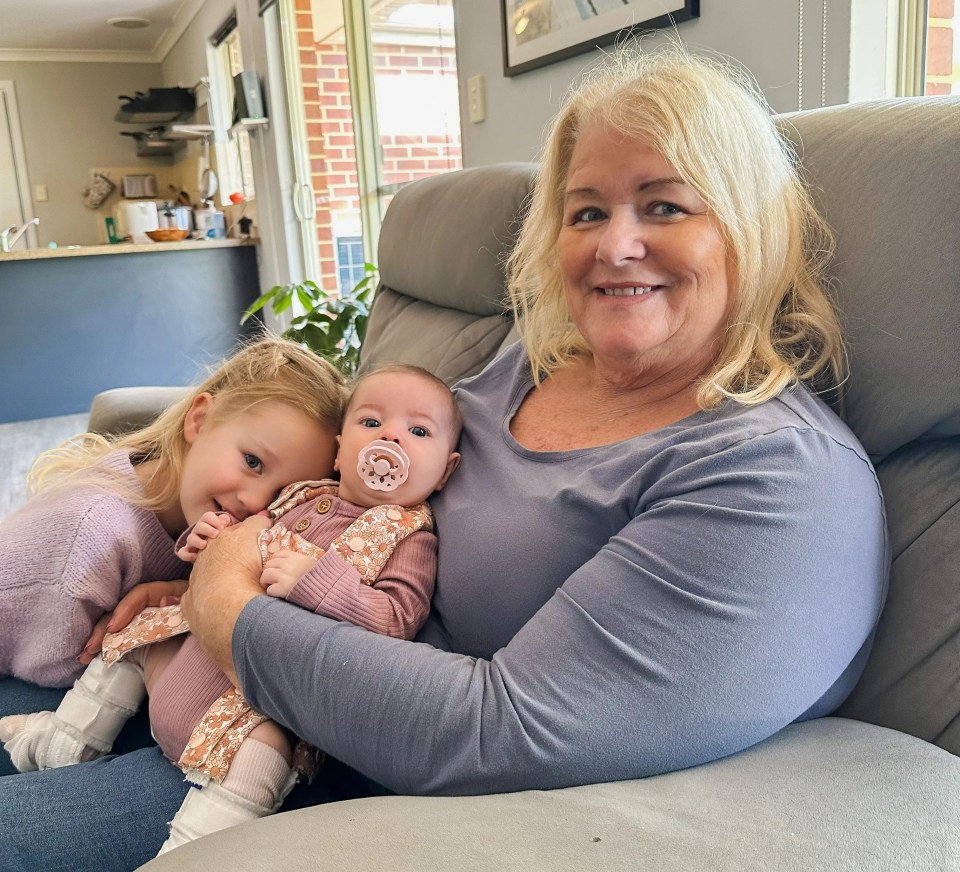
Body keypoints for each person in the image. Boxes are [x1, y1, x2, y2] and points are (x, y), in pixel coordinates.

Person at [0, 45, 889, 869]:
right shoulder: (530, 363)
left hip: (318, 765)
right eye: (586, 211)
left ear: (748, 224)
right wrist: (193, 586)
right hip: (231, 667)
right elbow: (363, 477)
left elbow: (505, 730)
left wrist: (227, 607)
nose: (615, 245)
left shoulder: (775, 485)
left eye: (665, 204)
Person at [0, 364, 462, 856]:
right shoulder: (301, 494)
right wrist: (205, 545)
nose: (390, 437)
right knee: (134, 634)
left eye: (418, 432)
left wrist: (319, 580)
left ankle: (193, 850)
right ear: (340, 449)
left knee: (265, 757)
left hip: (247, 703)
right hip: (192, 656)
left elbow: (396, 618)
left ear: (447, 469)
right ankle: (66, 739)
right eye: (371, 423)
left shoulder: (410, 537)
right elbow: (241, 545)